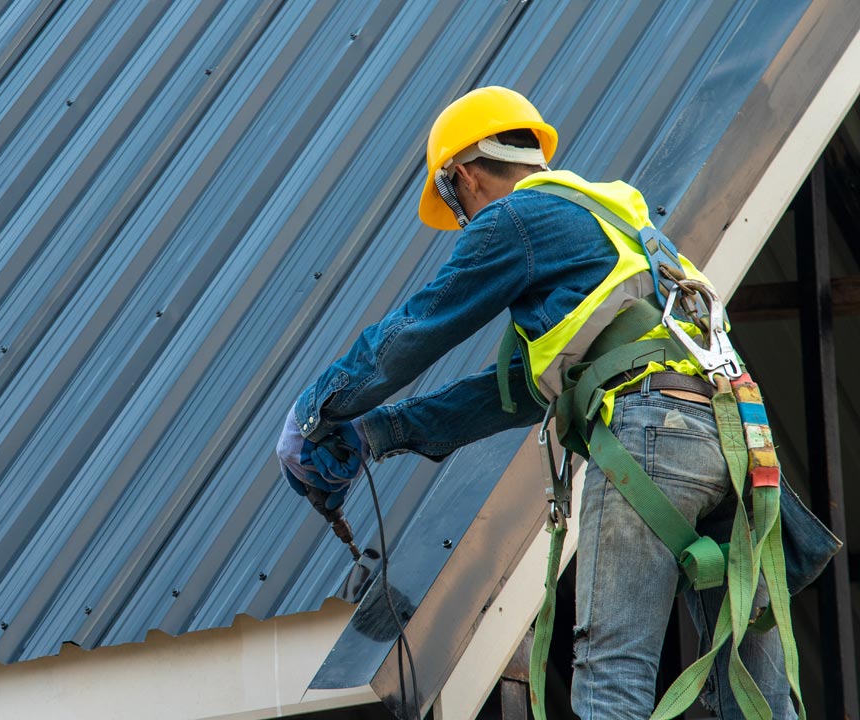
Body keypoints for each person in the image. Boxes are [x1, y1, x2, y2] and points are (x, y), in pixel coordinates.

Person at [276, 86, 798, 718]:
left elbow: (418, 329)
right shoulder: (617, 226)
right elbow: (515, 393)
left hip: (651, 432)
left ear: (463, 175)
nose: (466, 225)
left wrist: (315, 411)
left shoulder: (517, 219)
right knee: (757, 693)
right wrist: (375, 434)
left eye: (455, 205)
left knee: (612, 673)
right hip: (735, 441)